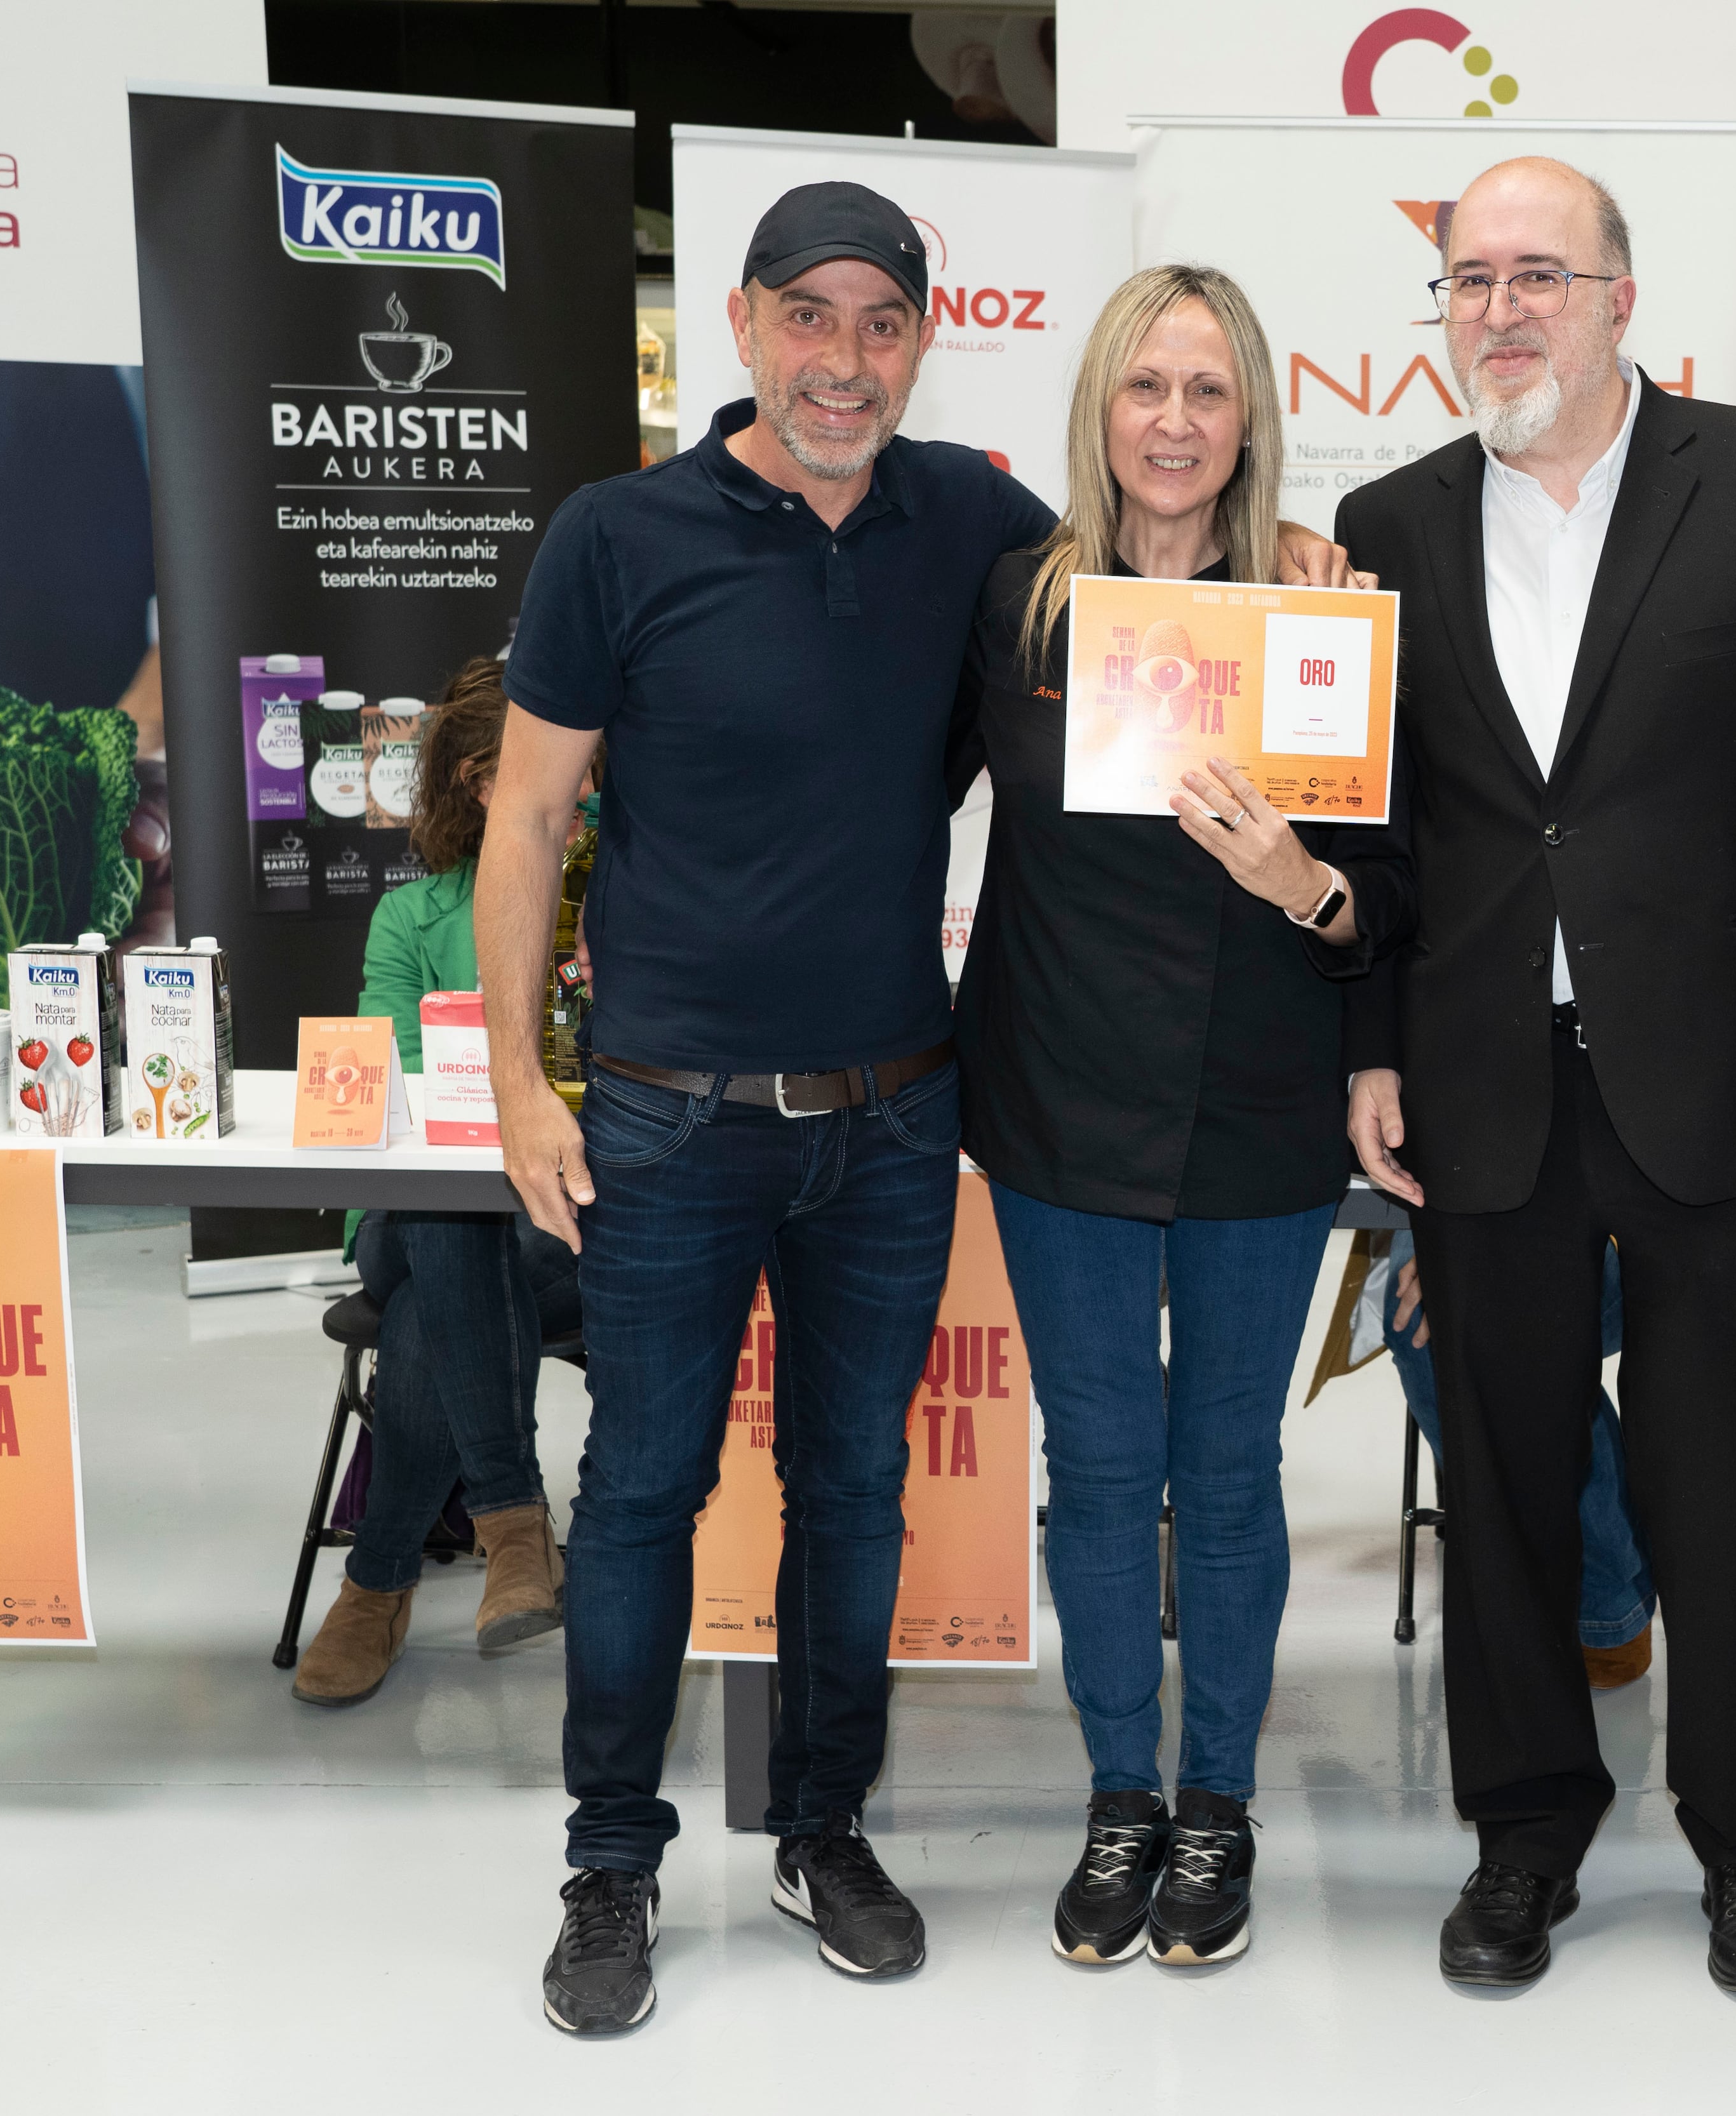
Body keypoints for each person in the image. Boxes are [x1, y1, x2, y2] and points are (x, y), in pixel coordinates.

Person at [484, 182, 1353, 2037]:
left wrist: (1301, 572)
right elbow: (525, 816)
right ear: (741, 324)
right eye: (810, 317)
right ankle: (612, 1863)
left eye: (881, 324)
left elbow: (1158, 577)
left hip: (889, 1114)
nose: (843, 359)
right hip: (661, 1110)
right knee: (639, 1490)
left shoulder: (971, 530)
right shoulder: (616, 535)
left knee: (857, 1491)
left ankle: (825, 1827)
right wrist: (515, 1084)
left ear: (921, 346)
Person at [1330, 156, 1736, 1995]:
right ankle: (1526, 1828)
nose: (1502, 308)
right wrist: (1369, 1047)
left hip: (1725, 1084)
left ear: (1621, 298)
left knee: (1720, 1476)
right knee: (1497, 1468)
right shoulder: (1388, 522)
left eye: (1539, 275)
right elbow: (1378, 831)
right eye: (1471, 278)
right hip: (1484, 1076)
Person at [948, 263, 1375, 1972]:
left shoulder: (1324, 611)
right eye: (1148, 387)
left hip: (1264, 1107)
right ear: (1101, 409)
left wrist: (1310, 886)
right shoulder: (1018, 609)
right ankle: (1122, 1789)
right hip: (1062, 1103)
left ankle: (1221, 1803)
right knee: (1102, 1469)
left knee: (1232, 1469)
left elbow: (1382, 899)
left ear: (1253, 416)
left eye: (1210, 390)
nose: (1177, 422)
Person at [287, 656, 584, 1708]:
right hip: (413, 1214)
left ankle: (377, 1583)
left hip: (567, 1225)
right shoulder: (414, 920)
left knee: (427, 1315)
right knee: (447, 1211)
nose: (580, 783)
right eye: (551, 762)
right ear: (475, 780)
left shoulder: (616, 897)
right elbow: (400, 1094)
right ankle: (513, 1522)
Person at [1384, 1235, 1655, 1688]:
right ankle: (1512, 1585)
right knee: (1418, 1315)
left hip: (1596, 1210)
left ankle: (1606, 1602)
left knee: (1527, 1301)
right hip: (1453, 1201)